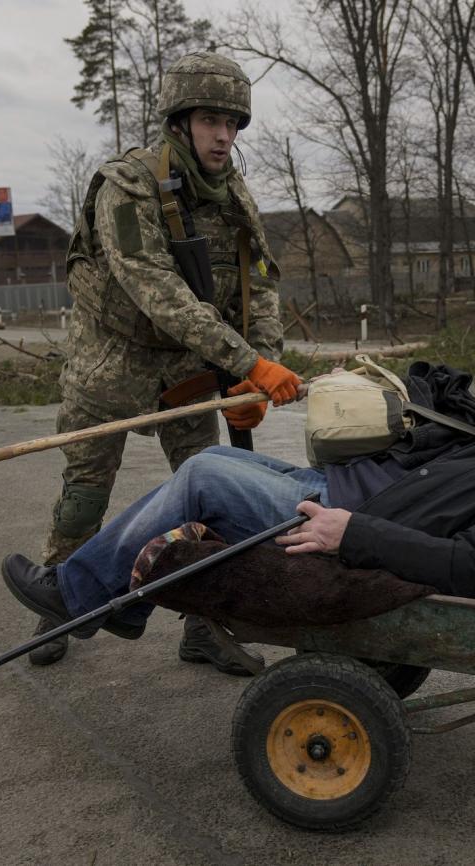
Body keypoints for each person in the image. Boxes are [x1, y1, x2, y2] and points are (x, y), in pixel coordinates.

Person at [30, 50, 303, 674]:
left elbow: (259, 279)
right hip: (113, 362)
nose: (225, 136)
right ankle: (57, 604)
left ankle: (204, 624)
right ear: (179, 120)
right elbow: (153, 286)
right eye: (212, 120)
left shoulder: (233, 191)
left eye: (234, 124)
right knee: (85, 494)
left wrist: (262, 364)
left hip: (189, 365)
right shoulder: (126, 184)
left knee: (210, 496)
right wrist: (244, 361)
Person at [0, 385, 475, 638]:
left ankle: (76, 599)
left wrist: (353, 534)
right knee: (216, 459)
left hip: (344, 516)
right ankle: (116, 606)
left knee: (201, 473)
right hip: (340, 489)